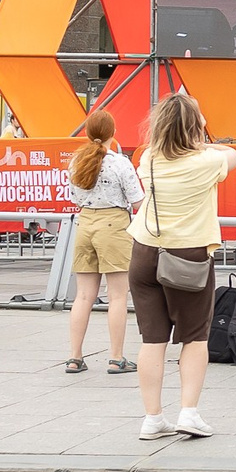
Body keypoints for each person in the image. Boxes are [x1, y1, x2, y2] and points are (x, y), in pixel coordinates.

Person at [129, 92, 236, 441]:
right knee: (194, 337)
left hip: (145, 252)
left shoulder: (148, 159)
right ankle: (188, 412)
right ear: (196, 127)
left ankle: (152, 418)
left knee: (152, 338)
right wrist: (203, 134)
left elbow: (167, 148)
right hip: (188, 255)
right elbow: (233, 154)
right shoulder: (206, 162)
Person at [63, 110, 140, 376]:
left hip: (85, 223)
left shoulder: (76, 162)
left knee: (83, 295)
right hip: (113, 224)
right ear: (112, 132)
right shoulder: (120, 163)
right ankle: (116, 358)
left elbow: (74, 197)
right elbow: (137, 200)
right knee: (117, 295)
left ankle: (75, 357)